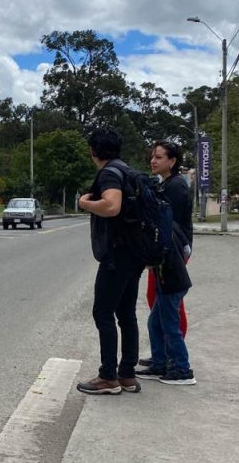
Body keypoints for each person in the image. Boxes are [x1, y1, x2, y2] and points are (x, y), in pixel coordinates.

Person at [75, 127, 146, 396]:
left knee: (102, 313)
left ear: (94, 151)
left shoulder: (109, 173)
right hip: (135, 253)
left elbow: (111, 206)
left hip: (117, 256)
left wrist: (85, 203)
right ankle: (127, 374)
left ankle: (108, 377)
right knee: (126, 314)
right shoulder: (128, 170)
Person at [138, 140, 196, 385]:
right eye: (152, 156)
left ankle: (178, 364)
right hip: (167, 251)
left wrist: (155, 253)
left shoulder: (175, 188)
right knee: (157, 311)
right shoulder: (168, 184)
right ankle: (161, 359)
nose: (153, 161)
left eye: (159, 157)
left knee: (169, 311)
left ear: (172, 161)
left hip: (170, 254)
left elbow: (166, 224)